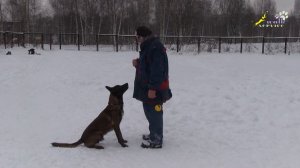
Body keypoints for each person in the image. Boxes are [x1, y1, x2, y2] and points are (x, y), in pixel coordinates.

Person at [132, 26, 172, 149]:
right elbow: (148, 64)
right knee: (149, 110)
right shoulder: (149, 46)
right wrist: (138, 63)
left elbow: (157, 70)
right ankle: (153, 133)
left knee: (155, 112)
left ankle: (156, 140)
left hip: (155, 88)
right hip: (148, 87)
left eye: (137, 37)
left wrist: (153, 89)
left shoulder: (155, 48)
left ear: (142, 36)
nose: (137, 40)